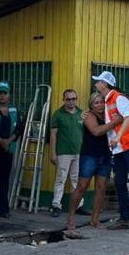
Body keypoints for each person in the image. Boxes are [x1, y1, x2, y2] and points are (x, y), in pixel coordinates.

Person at [92, 71, 129, 235]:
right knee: (119, 182)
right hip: (119, 147)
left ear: (104, 84)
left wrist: (119, 136)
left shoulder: (119, 98)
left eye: (98, 81)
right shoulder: (107, 102)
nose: (96, 84)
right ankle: (125, 219)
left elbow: (127, 117)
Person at [65, 93, 121, 230]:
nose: (100, 105)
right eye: (96, 103)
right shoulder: (89, 115)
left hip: (105, 155)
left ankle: (95, 219)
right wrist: (114, 122)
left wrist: (115, 120)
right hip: (89, 155)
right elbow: (96, 131)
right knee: (82, 186)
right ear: (91, 105)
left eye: (102, 102)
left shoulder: (108, 114)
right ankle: (71, 217)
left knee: (101, 188)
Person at [50, 89, 85, 218]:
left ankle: (79, 205)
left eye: (73, 99)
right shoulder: (58, 115)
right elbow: (53, 134)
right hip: (63, 152)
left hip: (79, 152)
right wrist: (53, 152)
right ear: (63, 100)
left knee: (77, 180)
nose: (71, 101)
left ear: (77, 99)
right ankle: (56, 205)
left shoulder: (82, 114)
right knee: (61, 179)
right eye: (68, 99)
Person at [0, 81, 23, 218]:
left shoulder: (14, 110)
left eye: (5, 93)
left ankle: (3, 210)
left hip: (8, 148)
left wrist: (9, 141)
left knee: (5, 180)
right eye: (0, 93)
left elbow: (19, 128)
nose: (2, 96)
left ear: (9, 94)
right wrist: (0, 140)